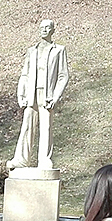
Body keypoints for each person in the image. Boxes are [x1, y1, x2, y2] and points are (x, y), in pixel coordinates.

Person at [6, 19, 69, 171]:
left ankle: (44, 160)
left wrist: (55, 97)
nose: (44, 30)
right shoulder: (32, 51)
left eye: (47, 28)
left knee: (46, 127)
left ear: (52, 30)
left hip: (46, 94)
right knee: (27, 125)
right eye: (42, 27)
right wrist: (20, 94)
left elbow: (63, 76)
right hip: (31, 93)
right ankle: (21, 159)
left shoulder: (59, 50)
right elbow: (25, 74)